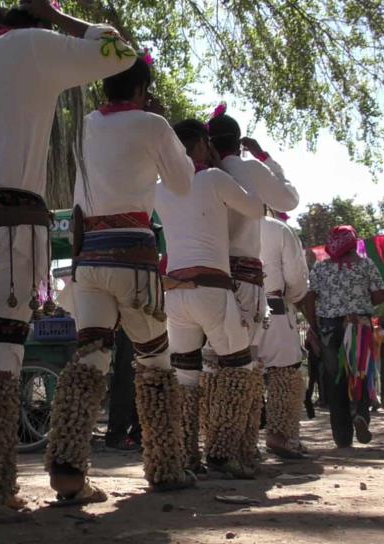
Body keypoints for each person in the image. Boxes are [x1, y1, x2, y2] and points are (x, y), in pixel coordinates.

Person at [0, 0, 136, 516]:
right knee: (1, 361)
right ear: (36, 26)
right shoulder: (32, 45)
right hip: (13, 229)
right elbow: (120, 53)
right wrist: (60, 16)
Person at [46, 55, 194, 502]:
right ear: (139, 89)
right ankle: (167, 466)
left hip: (88, 260)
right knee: (155, 365)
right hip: (134, 260)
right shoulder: (152, 124)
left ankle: (68, 471)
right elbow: (184, 183)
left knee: (90, 360)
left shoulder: (84, 126)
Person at [157, 119, 265, 478]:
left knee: (185, 377)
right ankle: (222, 452)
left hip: (175, 294)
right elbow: (257, 208)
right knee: (239, 367)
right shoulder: (214, 179)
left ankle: (186, 457)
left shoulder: (158, 189)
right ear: (204, 145)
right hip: (212, 291)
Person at [205, 109, 299, 472]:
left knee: (209, 366)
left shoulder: (199, 173)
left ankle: (215, 444)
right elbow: (289, 200)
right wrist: (264, 159)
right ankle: (233, 448)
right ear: (238, 141)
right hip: (243, 277)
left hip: (204, 278)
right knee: (243, 365)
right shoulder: (247, 169)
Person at [303, 226, 384, 449]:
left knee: (335, 380)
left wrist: (314, 326)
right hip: (360, 325)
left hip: (330, 329)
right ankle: (360, 413)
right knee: (362, 374)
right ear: (353, 242)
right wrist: (361, 296)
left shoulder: (320, 268)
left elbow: (309, 298)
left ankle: (342, 438)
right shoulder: (366, 264)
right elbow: (379, 295)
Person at [254, 212, 312, 459]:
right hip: (274, 305)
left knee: (238, 371)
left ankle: (235, 442)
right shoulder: (277, 228)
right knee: (284, 372)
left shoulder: (222, 222)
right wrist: (293, 297)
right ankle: (280, 436)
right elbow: (296, 278)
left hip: (231, 306)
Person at [105, 329, 142, 451]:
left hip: (143, 324)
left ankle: (138, 433)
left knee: (140, 377)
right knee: (126, 378)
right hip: (129, 324)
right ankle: (117, 434)